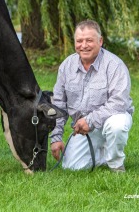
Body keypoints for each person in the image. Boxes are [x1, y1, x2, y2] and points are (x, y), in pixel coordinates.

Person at [50, 20, 134, 172]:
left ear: (100, 41)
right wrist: (56, 137)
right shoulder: (66, 66)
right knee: (72, 167)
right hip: (83, 128)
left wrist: (90, 120)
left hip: (111, 119)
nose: (84, 45)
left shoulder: (115, 65)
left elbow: (119, 102)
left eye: (89, 40)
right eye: (79, 41)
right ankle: (102, 153)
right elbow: (58, 104)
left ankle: (116, 164)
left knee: (117, 125)